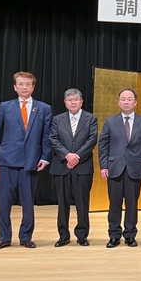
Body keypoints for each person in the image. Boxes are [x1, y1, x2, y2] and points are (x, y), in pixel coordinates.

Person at [0, 71, 52, 250]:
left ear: (33, 87)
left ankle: (26, 236)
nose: (24, 87)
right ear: (15, 87)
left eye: (28, 84)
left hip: (31, 162)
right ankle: (4, 237)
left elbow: (47, 136)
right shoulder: (5, 106)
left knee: (28, 201)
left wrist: (45, 157)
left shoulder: (44, 108)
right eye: (21, 84)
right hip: (6, 161)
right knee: (5, 202)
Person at [98, 88, 141, 248]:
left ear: (135, 102)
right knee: (114, 203)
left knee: (132, 203)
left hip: (136, 168)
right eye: (123, 99)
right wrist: (103, 165)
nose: (126, 101)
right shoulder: (110, 121)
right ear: (118, 102)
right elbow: (103, 145)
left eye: (129, 99)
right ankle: (114, 235)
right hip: (114, 167)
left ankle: (130, 234)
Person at [49, 88, 98, 247]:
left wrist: (77, 156)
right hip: (62, 165)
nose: (73, 102)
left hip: (82, 166)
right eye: (69, 100)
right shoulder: (57, 119)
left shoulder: (91, 118)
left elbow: (92, 140)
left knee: (82, 202)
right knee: (62, 203)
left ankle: (82, 235)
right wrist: (67, 155)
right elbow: (53, 139)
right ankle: (63, 235)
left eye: (76, 100)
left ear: (81, 101)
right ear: (65, 103)